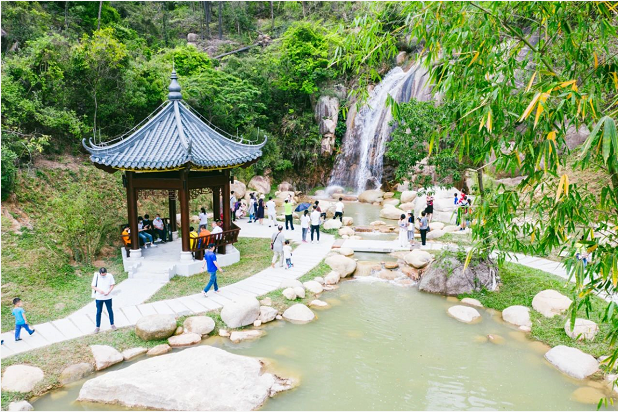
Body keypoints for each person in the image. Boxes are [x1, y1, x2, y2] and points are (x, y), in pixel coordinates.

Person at [91, 267, 116, 333]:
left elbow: (112, 285)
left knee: (110, 310)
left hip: (108, 297)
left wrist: (109, 291)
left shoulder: (109, 276)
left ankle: (112, 324)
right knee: (99, 311)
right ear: (100, 273)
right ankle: (97, 326)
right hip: (99, 297)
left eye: (104, 274)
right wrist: (99, 290)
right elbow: (93, 286)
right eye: (102, 275)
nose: (103, 276)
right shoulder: (96, 276)